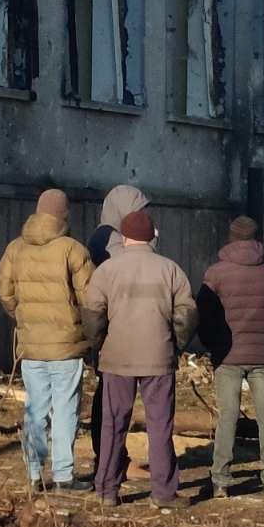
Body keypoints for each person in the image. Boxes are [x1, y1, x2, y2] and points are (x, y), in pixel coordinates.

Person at [82, 207, 197, 509]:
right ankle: (163, 493)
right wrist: (176, 346)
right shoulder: (170, 269)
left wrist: (99, 345)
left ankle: (107, 489)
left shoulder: (107, 270)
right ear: (151, 237)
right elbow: (186, 314)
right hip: (158, 357)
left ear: (124, 238)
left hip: (117, 358)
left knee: (113, 424)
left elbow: (92, 314)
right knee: (160, 426)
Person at [0, 188, 95, 493]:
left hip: (31, 346)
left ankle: (34, 475)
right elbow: (91, 299)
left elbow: (5, 292)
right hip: (67, 346)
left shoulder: (15, 249)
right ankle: (64, 476)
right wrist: (87, 332)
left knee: (35, 409)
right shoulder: (73, 249)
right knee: (65, 409)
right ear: (64, 215)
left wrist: (24, 319)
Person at [197, 215, 264, 500]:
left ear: (230, 238)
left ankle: (221, 482)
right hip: (263, 356)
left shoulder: (215, 274)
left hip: (227, 357)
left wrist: (213, 345)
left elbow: (204, 317)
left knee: (227, 417)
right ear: (257, 238)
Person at [85, 184, 149, 467]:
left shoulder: (100, 235)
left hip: (111, 324)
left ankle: (109, 456)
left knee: (109, 397)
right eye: (139, 209)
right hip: (116, 325)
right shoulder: (111, 239)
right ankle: (109, 458)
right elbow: (128, 275)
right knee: (112, 400)